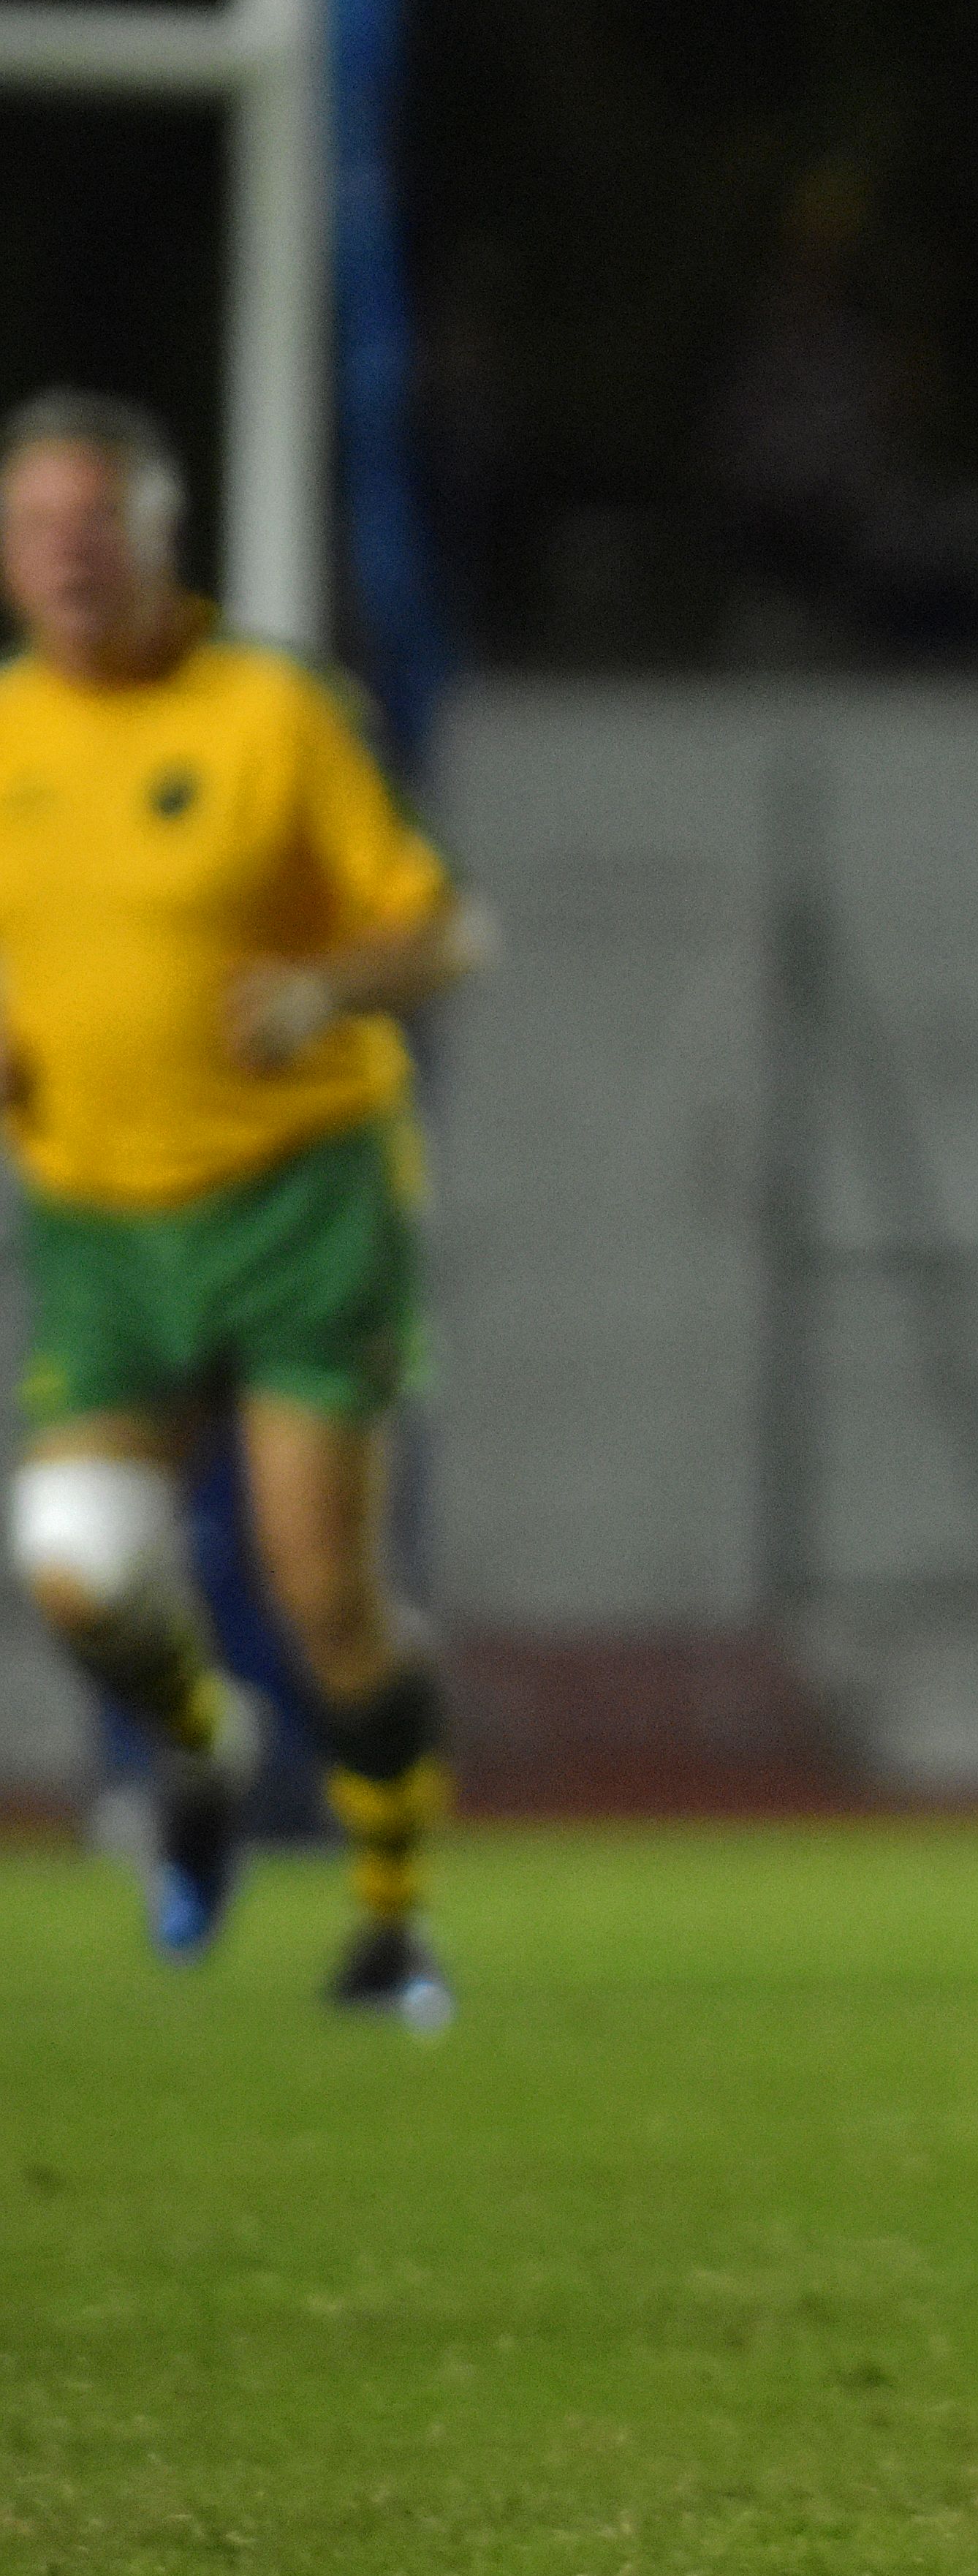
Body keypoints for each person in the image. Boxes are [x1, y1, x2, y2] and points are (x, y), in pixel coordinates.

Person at [0, 390, 480, 2021]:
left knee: (319, 1586)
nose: (65, 552)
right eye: (35, 525)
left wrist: (320, 988)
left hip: (297, 1202)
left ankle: (392, 1912)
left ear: (157, 537)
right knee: (72, 1562)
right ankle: (205, 1750)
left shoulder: (269, 712)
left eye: (93, 520)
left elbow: (441, 927)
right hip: (100, 1222)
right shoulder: (5, 733)